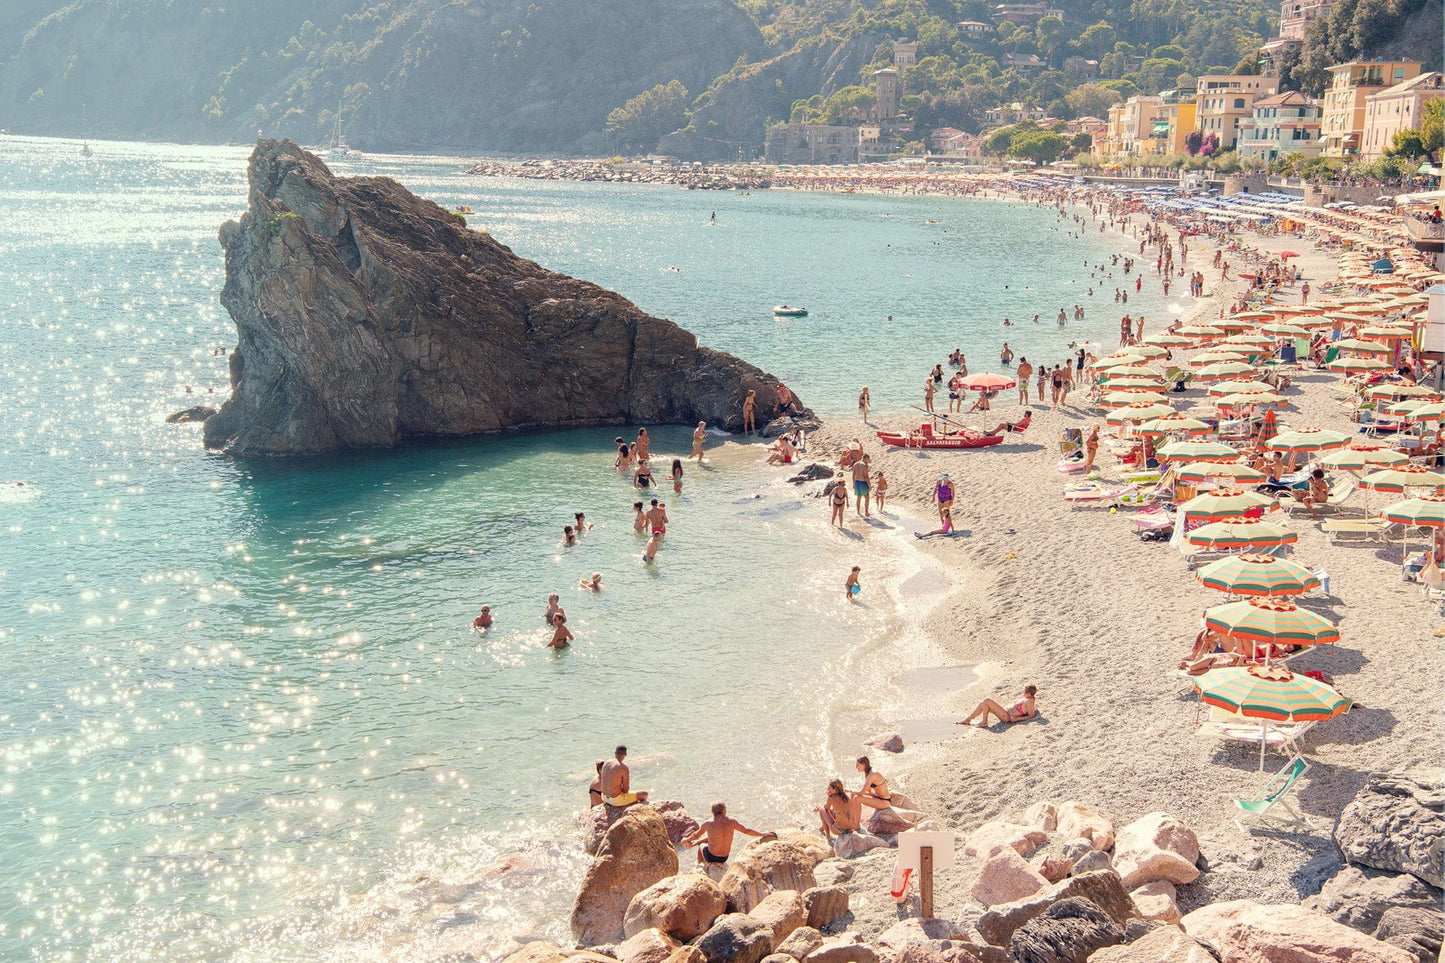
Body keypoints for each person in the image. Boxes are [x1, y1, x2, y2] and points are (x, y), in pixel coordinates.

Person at [683, 802, 777, 866]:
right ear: (723, 810)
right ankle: (694, 846)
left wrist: (687, 839)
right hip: (724, 857)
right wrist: (763, 834)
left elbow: (696, 835)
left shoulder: (707, 823)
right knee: (712, 838)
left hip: (711, 857)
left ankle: (700, 867)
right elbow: (747, 831)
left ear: (713, 812)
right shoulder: (732, 821)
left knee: (701, 845)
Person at [957, 684, 1038, 728]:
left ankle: (984, 722)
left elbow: (1031, 715)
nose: (1023, 692)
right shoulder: (1026, 698)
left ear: (1028, 693)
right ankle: (968, 720)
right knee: (982, 703)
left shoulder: (1030, 701)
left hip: (1007, 717)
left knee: (986, 700)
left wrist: (1016, 719)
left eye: (1024, 691)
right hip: (1004, 712)